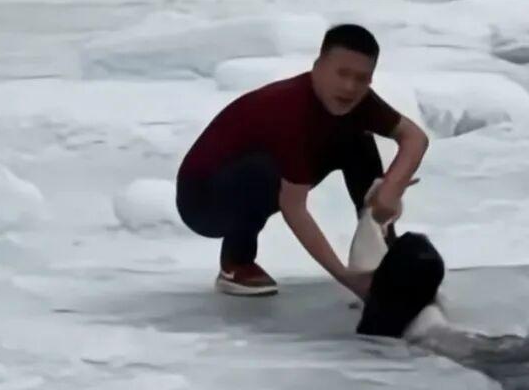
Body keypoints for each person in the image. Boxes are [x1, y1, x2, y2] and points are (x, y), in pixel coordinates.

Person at [175, 23, 429, 297]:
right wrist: (346, 279)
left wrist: (390, 189)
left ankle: (380, 251)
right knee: (263, 172)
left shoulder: (358, 101)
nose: (350, 87)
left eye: (362, 78)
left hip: (260, 176)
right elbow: (294, 208)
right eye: (342, 73)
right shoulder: (290, 110)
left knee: (358, 140)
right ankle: (236, 262)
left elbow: (415, 138)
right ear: (318, 67)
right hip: (203, 201)